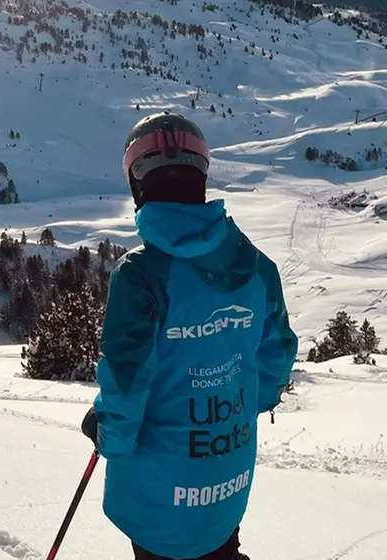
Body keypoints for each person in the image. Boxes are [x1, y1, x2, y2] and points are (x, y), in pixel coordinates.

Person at [80, 112, 298, 560]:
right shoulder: (257, 267)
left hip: (159, 495)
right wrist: (231, 409)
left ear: (138, 186)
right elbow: (275, 361)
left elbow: (125, 383)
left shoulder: (141, 275)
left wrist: (109, 437)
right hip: (228, 474)